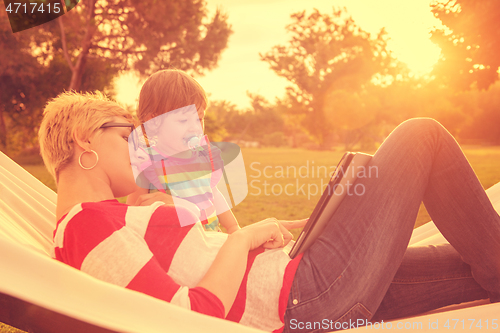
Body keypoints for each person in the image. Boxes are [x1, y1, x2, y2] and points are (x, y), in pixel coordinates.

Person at [38, 90, 500, 333]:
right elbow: (185, 317)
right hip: (307, 296)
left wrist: (249, 238)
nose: (138, 150)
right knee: (423, 136)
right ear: (84, 139)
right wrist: (244, 238)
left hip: (306, 285)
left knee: (468, 267)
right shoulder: (86, 226)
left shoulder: (103, 218)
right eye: (127, 137)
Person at [126, 69, 239, 233]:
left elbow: (212, 192)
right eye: (183, 120)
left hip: (211, 237)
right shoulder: (148, 162)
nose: (194, 127)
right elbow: (133, 212)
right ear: (153, 122)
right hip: (173, 245)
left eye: (199, 118)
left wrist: (233, 227)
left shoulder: (203, 156)